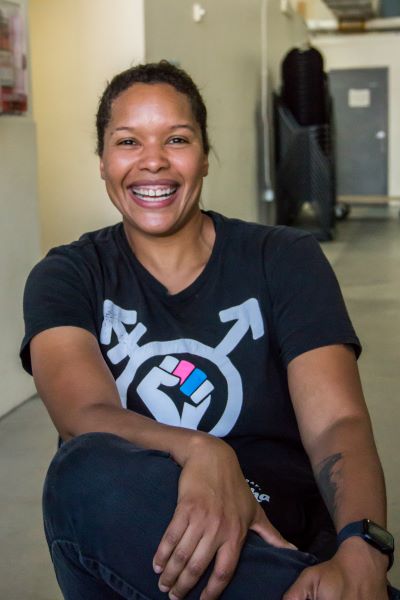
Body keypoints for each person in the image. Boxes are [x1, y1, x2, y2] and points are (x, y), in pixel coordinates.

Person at [20, 61, 398, 600]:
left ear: (203, 156)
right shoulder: (69, 274)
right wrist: (204, 451)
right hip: (142, 539)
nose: (153, 160)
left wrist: (362, 547)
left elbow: (337, 422)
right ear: (103, 162)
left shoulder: (284, 257)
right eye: (128, 141)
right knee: (82, 473)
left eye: (176, 139)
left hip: (280, 536)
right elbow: (85, 414)